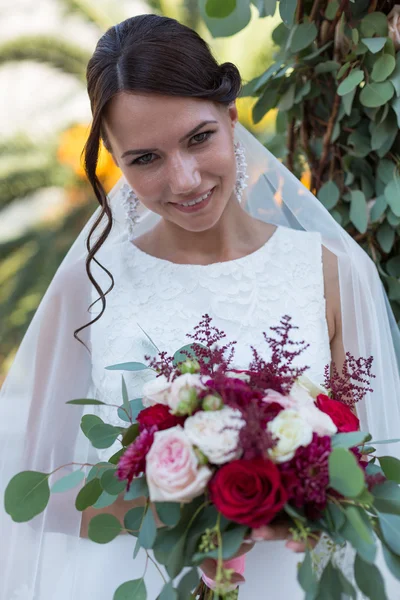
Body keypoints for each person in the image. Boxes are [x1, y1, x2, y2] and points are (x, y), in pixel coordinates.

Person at [1, 13, 400, 600]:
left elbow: (374, 466)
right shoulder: (91, 287)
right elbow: (31, 488)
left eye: (198, 138)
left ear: (232, 116)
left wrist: (290, 495)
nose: (184, 180)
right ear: (112, 157)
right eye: (144, 159)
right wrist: (175, 505)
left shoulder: (329, 272)